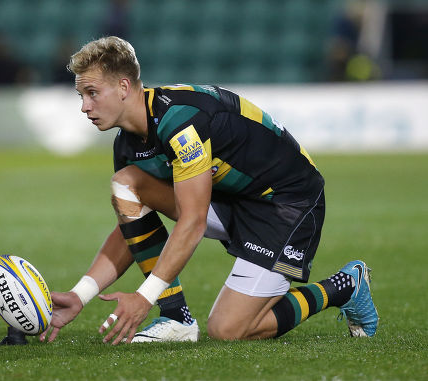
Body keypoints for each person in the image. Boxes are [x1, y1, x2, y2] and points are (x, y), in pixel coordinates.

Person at [39, 36, 379, 345]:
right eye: (81, 95)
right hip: (231, 198)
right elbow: (131, 226)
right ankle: (176, 319)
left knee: (228, 330)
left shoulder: (180, 121)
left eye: (92, 93)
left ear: (124, 86)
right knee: (127, 184)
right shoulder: (127, 145)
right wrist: (81, 294)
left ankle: (343, 286)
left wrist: (144, 296)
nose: (84, 106)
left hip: (286, 203)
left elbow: (193, 222)